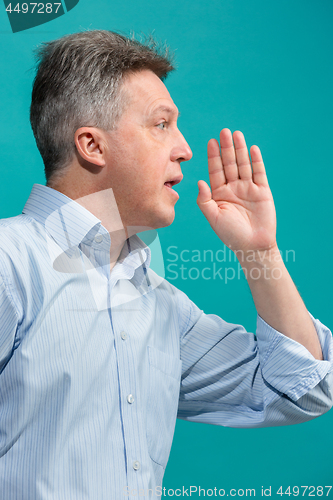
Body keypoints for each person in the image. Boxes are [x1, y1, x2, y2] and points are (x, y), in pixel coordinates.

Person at [0, 29, 332, 500]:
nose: (184, 148)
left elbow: (303, 389)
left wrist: (260, 252)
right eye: (161, 124)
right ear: (92, 146)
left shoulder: (159, 305)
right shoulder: (8, 265)